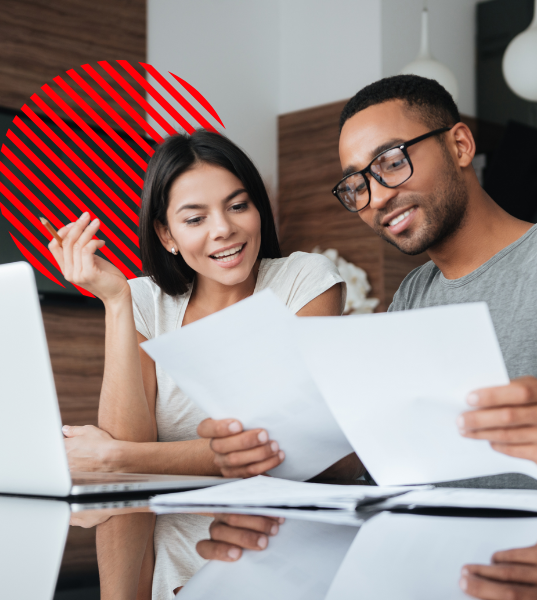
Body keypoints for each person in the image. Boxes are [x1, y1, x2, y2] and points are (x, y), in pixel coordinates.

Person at [201, 74, 537, 499]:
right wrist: (270, 452)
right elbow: (384, 460)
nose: (376, 198)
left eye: (391, 162)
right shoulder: (413, 294)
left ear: (459, 145)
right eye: (356, 184)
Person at [48, 130, 348, 599]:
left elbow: (277, 449)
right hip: (172, 573)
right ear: (166, 235)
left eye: (237, 205)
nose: (223, 229)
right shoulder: (143, 299)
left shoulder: (304, 281)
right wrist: (115, 301)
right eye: (195, 218)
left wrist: (115, 458)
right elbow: (130, 467)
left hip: (284, 562)